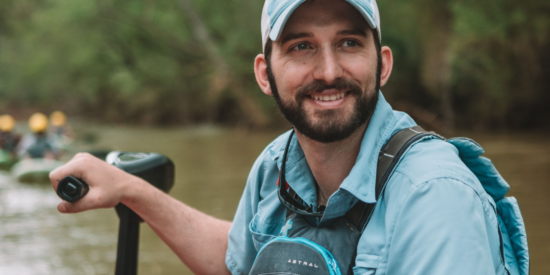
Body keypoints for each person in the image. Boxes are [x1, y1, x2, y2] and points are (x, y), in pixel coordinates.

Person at [50, 0, 522, 274]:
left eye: (349, 43)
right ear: (264, 73)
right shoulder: (278, 165)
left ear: (383, 63)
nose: (329, 71)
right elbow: (238, 260)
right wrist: (131, 191)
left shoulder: (435, 197)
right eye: (301, 47)